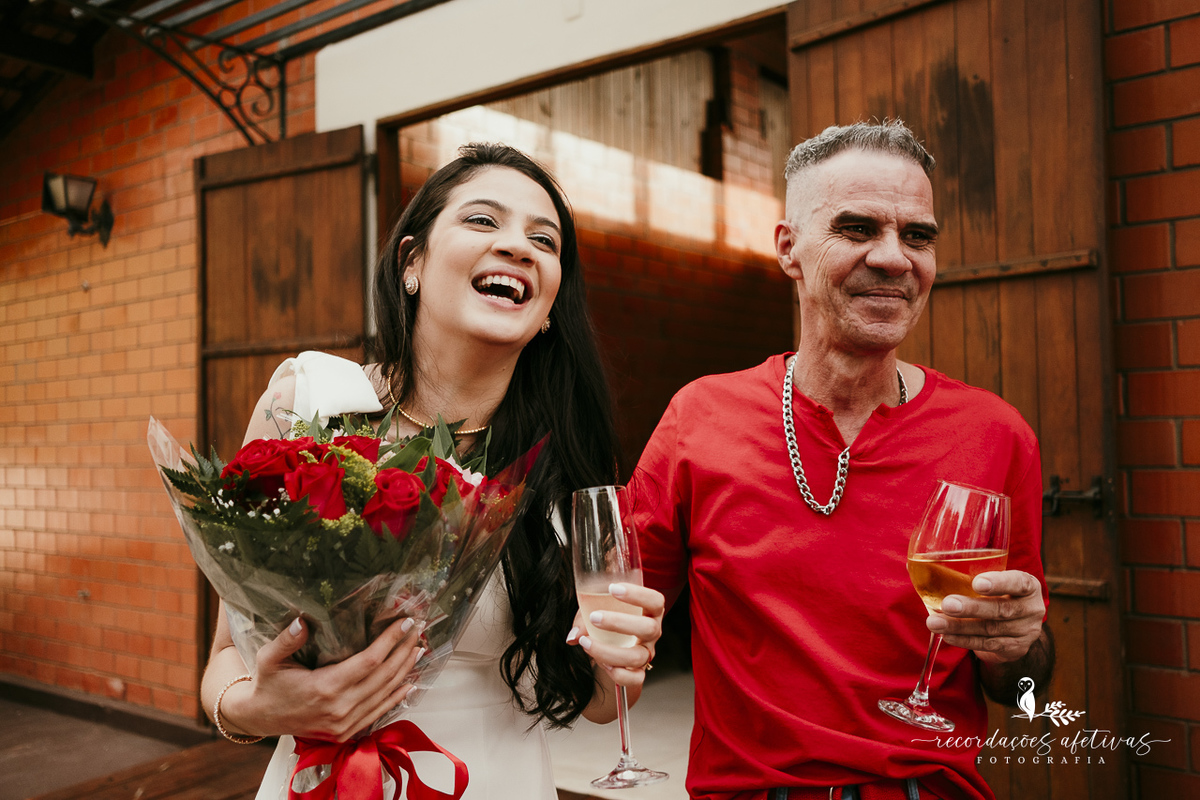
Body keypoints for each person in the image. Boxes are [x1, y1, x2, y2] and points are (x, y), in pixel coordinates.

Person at [199, 143, 665, 800]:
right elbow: (224, 658)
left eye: (544, 239)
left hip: (498, 783)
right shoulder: (309, 405)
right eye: (483, 221)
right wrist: (256, 710)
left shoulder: (564, 462)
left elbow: (593, 700)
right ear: (410, 261)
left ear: (550, 304)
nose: (518, 246)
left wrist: (625, 664)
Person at [629, 121, 1054, 800]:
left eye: (918, 236)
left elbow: (1021, 691)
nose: (894, 258)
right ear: (788, 249)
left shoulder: (996, 434)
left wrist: (1017, 649)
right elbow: (614, 626)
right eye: (857, 229)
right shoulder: (698, 419)